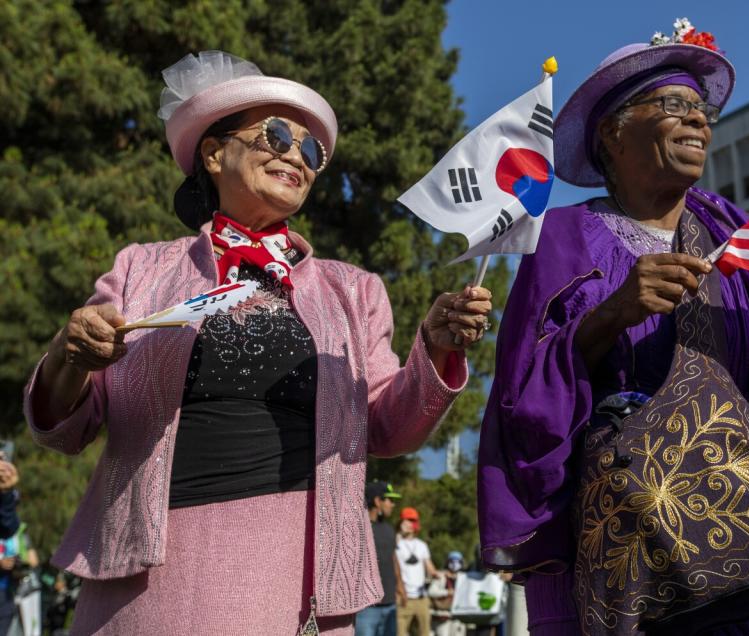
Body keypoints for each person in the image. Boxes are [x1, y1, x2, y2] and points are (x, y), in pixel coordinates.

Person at [23, 50, 493, 635]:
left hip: (297, 564)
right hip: (146, 574)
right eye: (275, 134)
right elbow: (67, 425)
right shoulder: (140, 270)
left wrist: (435, 348)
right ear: (215, 153)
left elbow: (387, 428)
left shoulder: (355, 291)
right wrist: (70, 357)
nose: (295, 153)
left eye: (311, 150)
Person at [477, 21, 749, 636]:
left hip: (746, 542)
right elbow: (523, 399)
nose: (699, 121)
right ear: (611, 133)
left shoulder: (737, 237)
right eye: (674, 105)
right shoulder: (562, 240)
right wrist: (610, 316)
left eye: (701, 110)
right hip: (626, 545)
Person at [357, 482, 405, 636]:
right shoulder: (359, 527)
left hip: (390, 603)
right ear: (378, 501)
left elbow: (393, 558)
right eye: (389, 500)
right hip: (366, 608)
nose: (393, 504)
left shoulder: (389, 529)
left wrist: (400, 586)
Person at [396, 507, 436, 636]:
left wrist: (441, 575)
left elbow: (430, 568)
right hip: (403, 597)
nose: (409, 523)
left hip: (421, 598)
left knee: (424, 633)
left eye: (412, 520)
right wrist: (400, 533)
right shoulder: (396, 542)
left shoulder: (422, 545)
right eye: (406, 520)